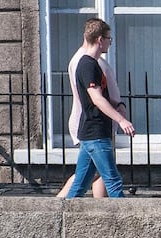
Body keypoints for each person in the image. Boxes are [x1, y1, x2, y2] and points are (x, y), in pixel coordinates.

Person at [62, 18, 136, 198]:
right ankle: (126, 223)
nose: (110, 43)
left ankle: (60, 217)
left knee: (80, 185)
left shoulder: (92, 64)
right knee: (113, 181)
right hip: (95, 133)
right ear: (100, 39)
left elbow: (101, 95)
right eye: (109, 39)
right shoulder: (87, 65)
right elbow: (96, 98)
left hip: (91, 134)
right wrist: (121, 120)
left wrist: (117, 104)